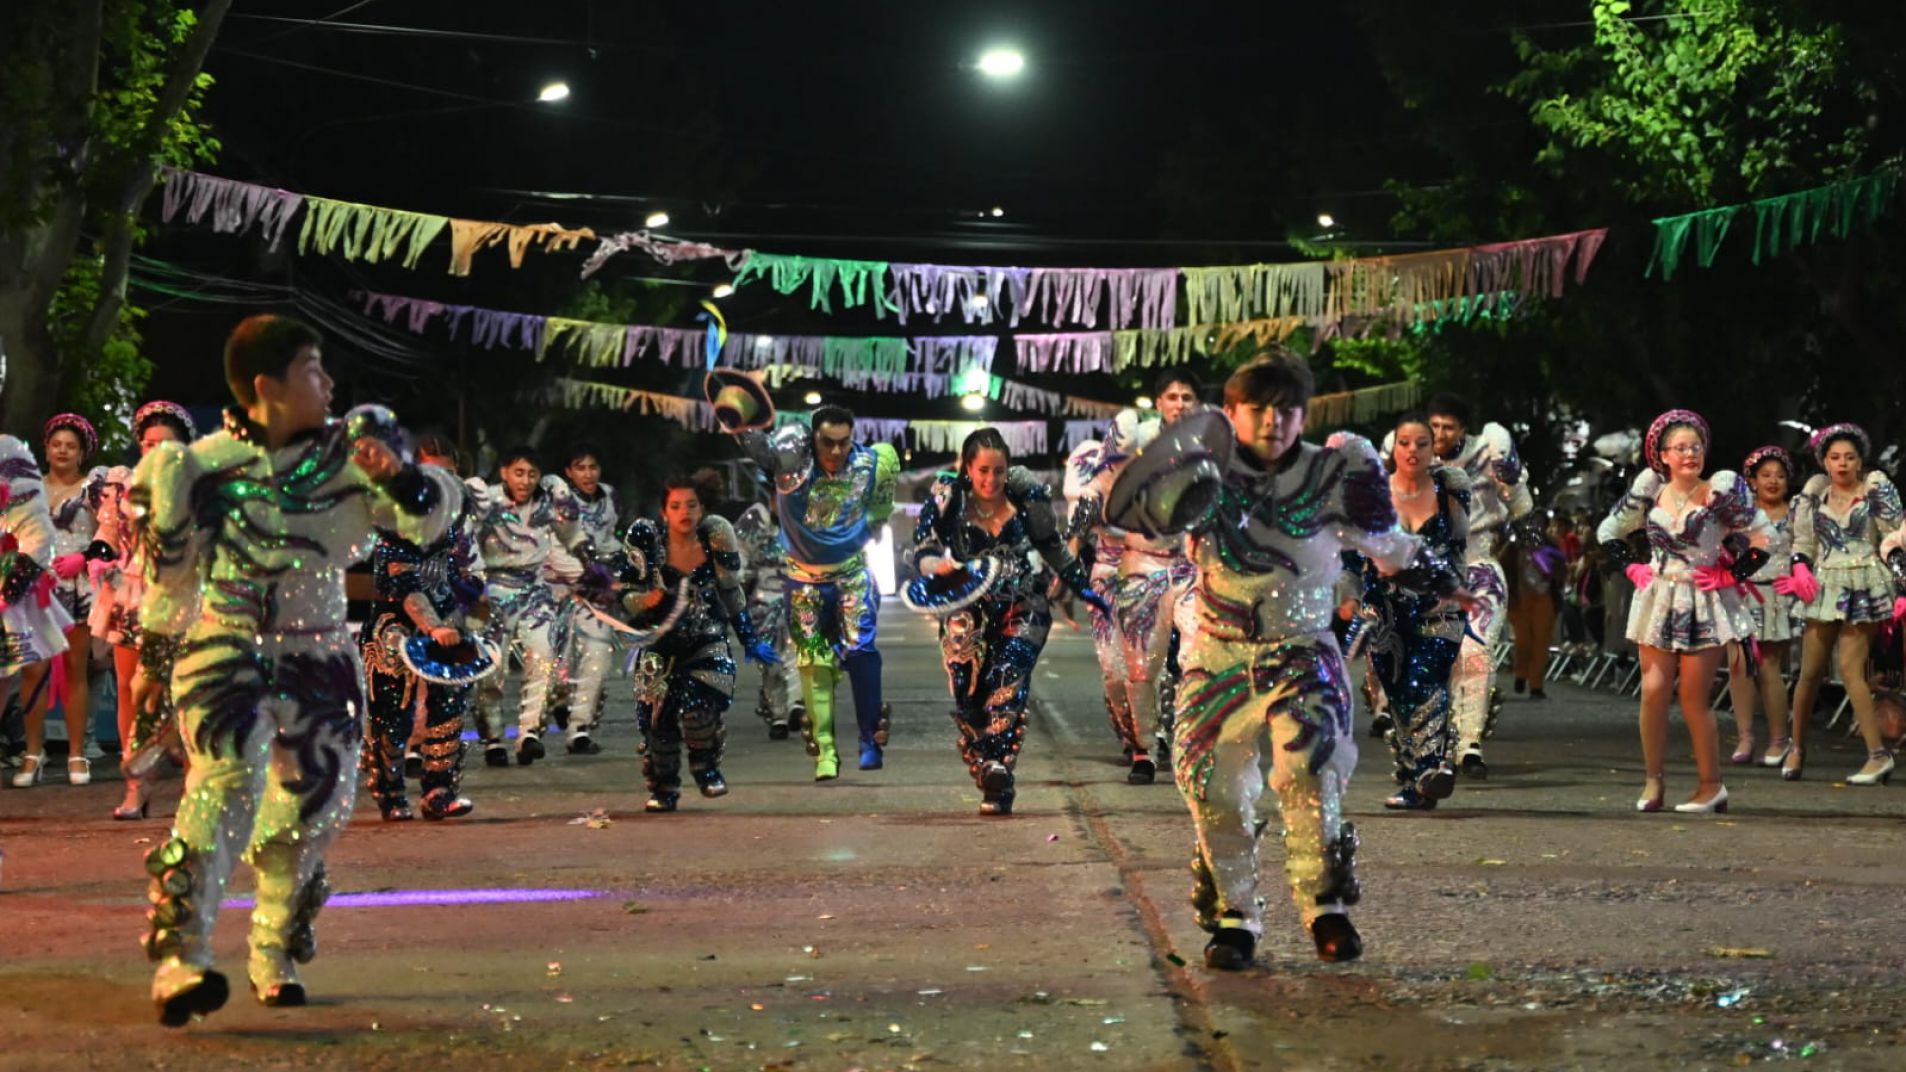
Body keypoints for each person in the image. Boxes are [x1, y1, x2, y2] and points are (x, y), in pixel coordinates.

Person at [129, 314, 459, 1024]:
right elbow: (169, 581)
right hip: (226, 650)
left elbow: (425, 523)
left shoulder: (352, 456)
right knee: (221, 788)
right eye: (314, 368)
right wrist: (153, 660)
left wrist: (397, 473)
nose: (330, 383)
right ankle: (181, 959)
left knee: (315, 805)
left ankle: (272, 947)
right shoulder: (202, 463)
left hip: (319, 656)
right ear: (265, 387)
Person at [1108, 352, 1467, 971]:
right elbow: (1141, 520)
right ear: (1233, 413)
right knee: (1211, 788)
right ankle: (1234, 918)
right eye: (1258, 408)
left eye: (1287, 408)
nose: (1273, 420)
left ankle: (1325, 908)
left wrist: (1442, 579)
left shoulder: (1336, 470)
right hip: (1216, 655)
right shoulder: (1206, 475)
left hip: (1302, 652)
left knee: (1309, 772)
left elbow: (1387, 546)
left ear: (1303, 414)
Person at [909, 428, 1108, 815]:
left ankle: (998, 773)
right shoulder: (948, 497)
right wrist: (941, 566)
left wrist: (1082, 588)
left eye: (998, 471)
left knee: (1007, 678)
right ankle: (987, 762)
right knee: (968, 694)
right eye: (983, 470)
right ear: (967, 468)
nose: (991, 480)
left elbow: (1051, 545)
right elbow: (922, 551)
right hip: (965, 606)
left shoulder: (1026, 494)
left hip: (1024, 602)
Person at [1595, 410, 1760, 815]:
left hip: (1702, 600)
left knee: (1691, 696)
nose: (1690, 454)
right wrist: (1632, 566)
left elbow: (1764, 536)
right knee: (1652, 691)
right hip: (1658, 597)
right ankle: (1654, 781)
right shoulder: (1650, 490)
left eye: (1696, 446)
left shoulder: (1719, 492)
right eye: (1681, 448)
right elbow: (1607, 531)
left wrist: (1729, 575)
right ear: (1663, 455)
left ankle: (1711, 785)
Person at [738, 402, 899, 779]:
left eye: (845, 442)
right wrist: (739, 414)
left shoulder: (873, 464)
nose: (837, 451)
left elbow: (881, 510)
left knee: (861, 652)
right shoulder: (791, 460)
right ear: (814, 439)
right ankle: (825, 749)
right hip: (805, 578)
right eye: (829, 442)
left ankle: (869, 740)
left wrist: (867, 531)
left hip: (851, 574)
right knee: (813, 664)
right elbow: (756, 446)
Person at [618, 472, 779, 812]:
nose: (684, 512)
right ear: (664, 512)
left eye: (691, 504)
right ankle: (664, 788)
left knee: (698, 708)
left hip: (706, 639)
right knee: (657, 720)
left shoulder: (715, 538)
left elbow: (731, 592)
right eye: (675, 505)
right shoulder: (648, 542)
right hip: (659, 644)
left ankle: (706, 767)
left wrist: (749, 638)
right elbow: (626, 595)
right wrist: (644, 602)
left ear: (702, 508)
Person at [359, 434, 486, 821]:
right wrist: (432, 628)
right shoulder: (391, 522)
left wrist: (466, 614)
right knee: (390, 709)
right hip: (394, 623)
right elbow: (404, 585)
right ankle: (391, 792)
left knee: (450, 697)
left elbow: (467, 576)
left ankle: (439, 790)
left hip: (444, 620)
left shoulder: (456, 524)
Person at [1353, 413, 1472, 810]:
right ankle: (1413, 778)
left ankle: (1434, 765)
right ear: (1393, 447)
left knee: (1426, 679)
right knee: (1398, 692)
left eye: (1422, 442)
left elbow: (1458, 544)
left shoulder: (1452, 486)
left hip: (1440, 605)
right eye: (1405, 442)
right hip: (1384, 610)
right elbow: (1353, 554)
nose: (1414, 450)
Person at [91, 401, 196, 818]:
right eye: (149, 443)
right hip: (132, 595)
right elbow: (107, 533)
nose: (155, 450)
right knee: (130, 691)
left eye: (165, 444)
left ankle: (195, 786)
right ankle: (137, 787)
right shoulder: (122, 485)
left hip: (184, 596)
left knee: (189, 693)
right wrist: (98, 556)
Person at [1783, 424, 1904, 784]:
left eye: (1849, 457)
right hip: (1823, 584)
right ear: (1823, 461)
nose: (1842, 464)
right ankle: (1796, 747)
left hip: (1865, 582)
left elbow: (1895, 534)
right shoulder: (1814, 494)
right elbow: (1802, 543)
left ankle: (1877, 755)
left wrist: (1901, 583)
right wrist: (1800, 567)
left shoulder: (1873, 489)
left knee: (1852, 669)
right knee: (1809, 673)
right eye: (1835, 457)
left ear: (1860, 460)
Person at [1428, 393, 1532, 778]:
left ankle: (1469, 742)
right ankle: (1434, 745)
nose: (1440, 434)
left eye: (1448, 427)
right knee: (1435, 657)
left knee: (1476, 649)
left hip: (1480, 572)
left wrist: (1535, 548)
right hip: (1430, 575)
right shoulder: (1415, 458)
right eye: (1434, 426)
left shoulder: (1490, 452)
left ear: (1463, 429)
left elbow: (1522, 507)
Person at [12, 413, 111, 787]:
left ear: (82, 451)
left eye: (71, 445)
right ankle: (33, 754)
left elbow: (110, 537)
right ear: (46, 449)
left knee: (75, 671)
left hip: (76, 589)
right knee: (33, 672)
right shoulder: (29, 488)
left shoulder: (95, 489)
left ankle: (76, 754)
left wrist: (83, 559)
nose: (63, 451)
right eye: (57, 444)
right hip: (35, 588)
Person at [468, 446, 582, 767]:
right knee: (491, 670)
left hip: (535, 591)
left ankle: (530, 732)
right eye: (519, 472)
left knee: (544, 657)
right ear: (504, 472)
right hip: (493, 593)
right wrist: (474, 587)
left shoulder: (547, 503)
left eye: (532, 474)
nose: (526, 480)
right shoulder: (486, 501)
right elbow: (467, 544)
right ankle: (492, 738)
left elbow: (572, 534)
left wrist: (591, 563)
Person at [1, 425, 73, 790]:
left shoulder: (9, 453)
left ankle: (34, 749)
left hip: (10, 584)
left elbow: (37, 534)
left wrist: (10, 589)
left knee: (24, 671)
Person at [1062, 435, 1134, 771]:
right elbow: (1073, 545)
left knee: (1164, 664)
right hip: (1108, 579)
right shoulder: (1094, 491)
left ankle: (1152, 739)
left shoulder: (1168, 478)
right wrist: (1064, 584)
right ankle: (1133, 734)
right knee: (1114, 667)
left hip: (1169, 580)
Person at [1727, 446, 1802, 767]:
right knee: (1738, 665)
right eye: (1766, 475)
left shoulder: (1798, 513)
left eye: (1780, 476)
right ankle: (1744, 737)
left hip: (1777, 597)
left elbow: (1806, 551)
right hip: (1739, 594)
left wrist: (1799, 579)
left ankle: (1779, 740)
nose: (1773, 481)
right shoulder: (1738, 515)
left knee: (1769, 667)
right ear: (1752, 481)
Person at [736, 500, 802, 738]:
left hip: (801, 593)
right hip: (764, 599)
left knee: (798, 652)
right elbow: (739, 552)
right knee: (771, 660)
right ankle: (777, 713)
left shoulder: (810, 511)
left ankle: (796, 703)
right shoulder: (755, 518)